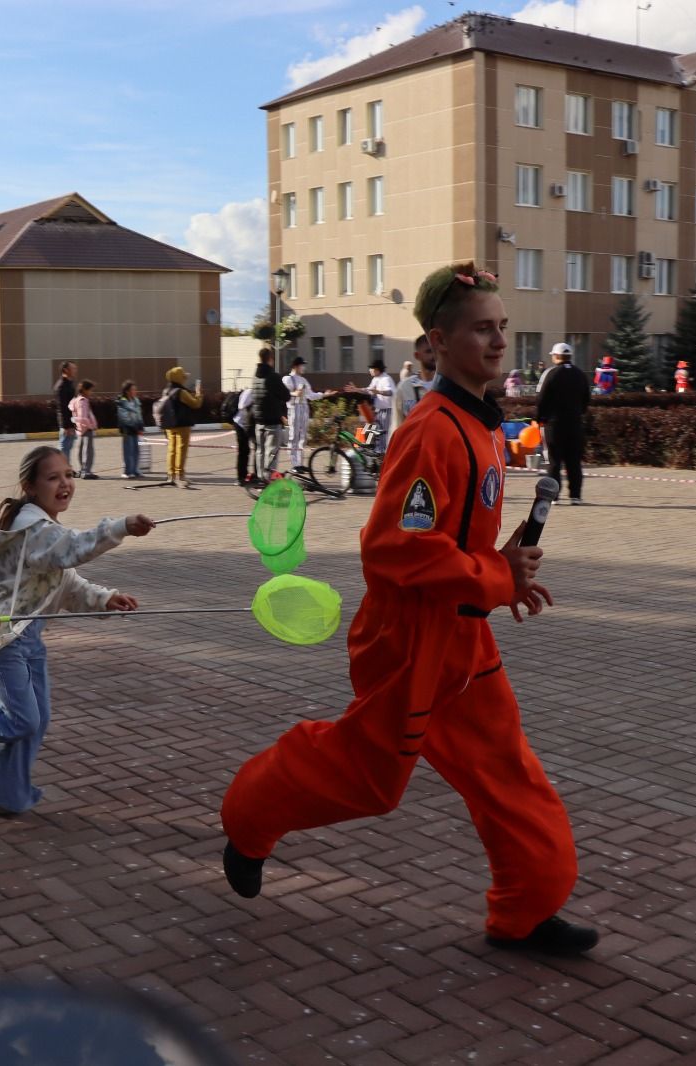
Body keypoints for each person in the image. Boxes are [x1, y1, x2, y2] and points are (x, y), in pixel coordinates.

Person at [219, 261, 597, 957]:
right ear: (437, 342)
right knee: (369, 781)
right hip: (410, 645)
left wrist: (505, 566)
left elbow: (452, 539)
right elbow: (393, 550)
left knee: (507, 770)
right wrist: (494, 575)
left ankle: (526, 910)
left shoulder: (479, 425)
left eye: (502, 327)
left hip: (463, 638)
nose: (497, 341)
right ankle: (247, 818)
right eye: (482, 329)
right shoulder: (432, 431)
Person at [0, 447, 154, 814]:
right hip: (2, 636)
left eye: (69, 474)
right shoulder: (35, 530)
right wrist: (121, 527)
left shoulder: (43, 530)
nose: (65, 483)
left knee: (35, 721)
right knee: (21, 719)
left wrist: (105, 598)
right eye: (53, 477)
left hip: (27, 636)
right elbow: (75, 549)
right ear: (30, 486)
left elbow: (64, 582)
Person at [537, 342, 590, 505]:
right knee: (574, 461)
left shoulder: (551, 373)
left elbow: (541, 398)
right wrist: (577, 414)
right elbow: (586, 399)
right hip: (575, 424)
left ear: (556, 356)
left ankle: (555, 496)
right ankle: (575, 496)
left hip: (554, 425)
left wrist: (540, 418)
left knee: (554, 461)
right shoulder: (580, 374)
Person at [158, 365, 202, 489]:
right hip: (182, 424)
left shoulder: (165, 390)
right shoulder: (181, 392)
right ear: (179, 379)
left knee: (171, 449)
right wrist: (198, 393)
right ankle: (180, 475)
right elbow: (195, 404)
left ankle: (170, 475)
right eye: (183, 377)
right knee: (181, 450)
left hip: (169, 425)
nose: (185, 379)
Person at [282, 355, 329, 470]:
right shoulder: (288, 379)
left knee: (303, 437)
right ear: (295, 366)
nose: (304, 368)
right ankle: (294, 464)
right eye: (302, 365)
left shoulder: (303, 380)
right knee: (294, 436)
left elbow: (310, 395)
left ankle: (300, 463)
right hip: (294, 408)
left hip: (304, 408)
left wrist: (324, 395)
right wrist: (294, 393)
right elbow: (284, 394)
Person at [250, 348, 290, 479]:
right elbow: (286, 395)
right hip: (272, 420)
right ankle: (269, 481)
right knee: (271, 453)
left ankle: (261, 479)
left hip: (258, 420)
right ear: (270, 359)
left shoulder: (254, 377)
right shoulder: (273, 377)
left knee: (260, 451)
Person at [393, 335, 439, 434]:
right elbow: (396, 425)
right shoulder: (404, 387)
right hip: (413, 447)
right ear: (417, 356)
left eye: (436, 351)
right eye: (429, 351)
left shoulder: (448, 385)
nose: (434, 356)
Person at [69, 380, 99, 479]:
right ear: (85, 390)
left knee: (81, 450)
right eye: (90, 390)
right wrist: (91, 426)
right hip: (86, 429)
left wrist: (76, 422)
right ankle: (87, 472)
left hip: (79, 429)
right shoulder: (83, 401)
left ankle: (83, 470)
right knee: (88, 451)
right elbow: (83, 417)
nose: (91, 392)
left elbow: (72, 411)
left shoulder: (76, 400)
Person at [114, 381, 143, 479]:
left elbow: (139, 415)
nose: (135, 391)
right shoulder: (122, 402)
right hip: (127, 430)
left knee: (136, 450)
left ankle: (135, 470)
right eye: (133, 390)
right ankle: (127, 471)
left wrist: (140, 426)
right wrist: (134, 427)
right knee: (128, 451)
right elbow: (125, 418)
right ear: (127, 391)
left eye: (135, 389)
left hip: (135, 429)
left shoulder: (135, 400)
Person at [230, 383, 255, 486]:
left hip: (248, 423)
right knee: (243, 450)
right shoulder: (249, 391)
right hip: (240, 423)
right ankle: (240, 477)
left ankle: (247, 475)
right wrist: (253, 403)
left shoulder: (259, 392)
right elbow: (241, 405)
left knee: (248, 450)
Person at [55, 361, 78, 461]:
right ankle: (62, 468)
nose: (75, 371)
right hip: (67, 424)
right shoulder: (62, 386)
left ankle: (66, 469)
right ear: (65, 370)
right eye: (73, 368)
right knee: (64, 447)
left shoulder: (69, 384)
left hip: (71, 422)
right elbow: (63, 408)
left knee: (68, 447)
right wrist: (66, 426)